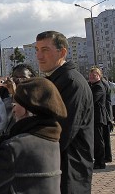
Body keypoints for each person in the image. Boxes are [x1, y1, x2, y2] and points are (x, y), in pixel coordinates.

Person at [0, 77, 67, 194]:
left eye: (16, 104)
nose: (13, 109)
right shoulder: (52, 141)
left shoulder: (15, 147)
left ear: (27, 108)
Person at [35, 30, 94, 194]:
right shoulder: (56, 79)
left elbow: (61, 131)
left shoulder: (70, 82)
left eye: (45, 50)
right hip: (57, 168)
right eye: (37, 50)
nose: (39, 56)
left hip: (69, 169)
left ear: (62, 52)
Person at [89, 67, 107, 169]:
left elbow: (92, 100)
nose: (91, 77)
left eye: (94, 75)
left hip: (98, 118)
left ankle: (100, 162)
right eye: (91, 75)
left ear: (99, 76)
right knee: (96, 141)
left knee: (98, 141)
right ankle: (98, 161)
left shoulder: (98, 87)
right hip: (95, 118)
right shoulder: (93, 86)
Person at [101, 76, 113, 163]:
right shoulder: (105, 84)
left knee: (105, 137)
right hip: (107, 112)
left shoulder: (103, 85)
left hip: (105, 113)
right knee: (106, 137)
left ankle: (107, 156)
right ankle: (107, 156)